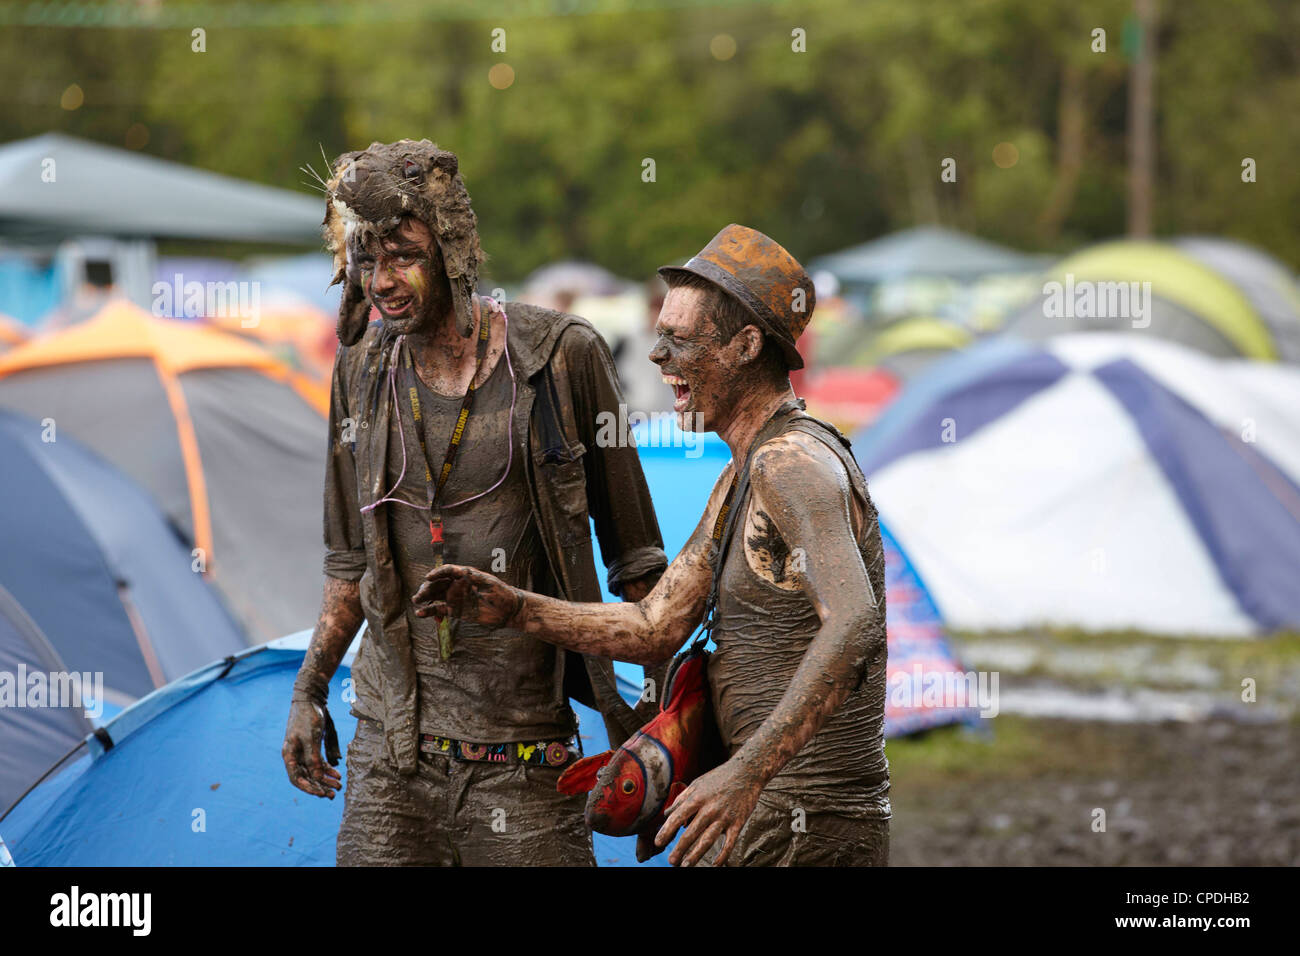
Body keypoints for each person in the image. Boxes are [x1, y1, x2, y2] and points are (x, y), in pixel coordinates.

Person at [415, 224, 890, 866]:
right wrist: (518, 609)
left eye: (680, 340)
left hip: (810, 824)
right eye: (659, 336)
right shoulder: (744, 471)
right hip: (766, 818)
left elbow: (854, 622)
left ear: (747, 345)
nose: (657, 357)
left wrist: (742, 775)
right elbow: (655, 624)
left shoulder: (790, 464)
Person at [281, 139, 668, 866]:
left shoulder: (559, 359)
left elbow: (637, 561)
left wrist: (662, 713)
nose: (384, 280)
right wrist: (309, 691)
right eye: (368, 260)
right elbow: (347, 571)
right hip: (391, 754)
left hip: (525, 754)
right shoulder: (360, 374)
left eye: (402, 254)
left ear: (452, 250)